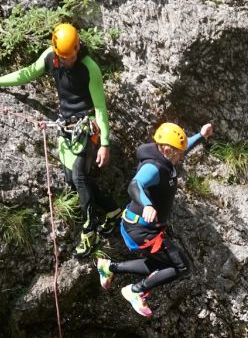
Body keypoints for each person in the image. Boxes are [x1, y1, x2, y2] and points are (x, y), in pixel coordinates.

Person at [0, 23, 120, 258]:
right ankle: (113, 210)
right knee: (72, 179)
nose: (68, 60)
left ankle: (90, 230)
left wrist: (104, 143)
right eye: (64, 57)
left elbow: (100, 108)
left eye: (71, 55)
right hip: (66, 125)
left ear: (77, 47)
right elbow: (26, 73)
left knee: (79, 175)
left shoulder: (89, 68)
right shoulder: (50, 58)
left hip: (86, 126)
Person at [96, 121, 213, 317]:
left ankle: (109, 267)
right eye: (178, 152)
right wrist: (147, 204)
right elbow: (135, 185)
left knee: (163, 266)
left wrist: (200, 135)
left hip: (146, 228)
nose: (182, 155)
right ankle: (135, 291)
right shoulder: (153, 167)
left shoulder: (167, 159)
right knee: (181, 266)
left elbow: (185, 147)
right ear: (167, 150)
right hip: (139, 230)